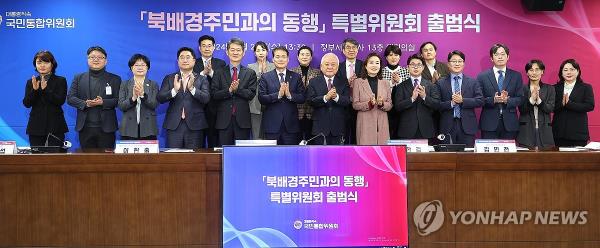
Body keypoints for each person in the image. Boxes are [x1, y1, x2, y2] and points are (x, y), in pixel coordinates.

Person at [67, 46, 121, 149]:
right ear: (87, 60)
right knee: (87, 162)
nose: (96, 59)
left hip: (107, 128)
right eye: (92, 57)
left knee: (106, 162)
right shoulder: (79, 78)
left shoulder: (115, 79)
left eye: (100, 57)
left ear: (106, 61)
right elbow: (70, 98)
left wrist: (103, 102)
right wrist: (85, 103)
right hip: (85, 128)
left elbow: (119, 100)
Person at [157, 47, 210, 149]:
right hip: (174, 126)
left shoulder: (201, 79)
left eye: (188, 57)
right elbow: (160, 98)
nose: (185, 60)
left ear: (194, 61)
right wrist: (174, 90)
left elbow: (206, 98)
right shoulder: (170, 78)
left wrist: (192, 88)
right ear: (178, 61)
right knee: (174, 159)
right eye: (182, 57)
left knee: (195, 160)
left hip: (195, 126)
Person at [211, 38, 257, 146]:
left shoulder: (250, 73)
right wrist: (229, 91)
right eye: (232, 50)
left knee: (242, 153)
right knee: (224, 153)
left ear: (243, 52)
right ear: (227, 52)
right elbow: (214, 94)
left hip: (242, 121)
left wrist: (237, 90)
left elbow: (251, 94)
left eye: (238, 50)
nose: (235, 52)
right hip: (223, 121)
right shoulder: (219, 72)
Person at [258, 46, 305, 145]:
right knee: (271, 157)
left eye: (283, 56)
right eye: (277, 56)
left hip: (291, 126)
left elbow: (302, 97)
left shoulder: (296, 77)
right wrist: (278, 95)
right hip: (271, 126)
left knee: (290, 157)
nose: (280, 59)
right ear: (273, 59)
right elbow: (261, 98)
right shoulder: (265, 77)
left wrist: (289, 95)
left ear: (288, 59)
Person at [437, 50, 483, 147]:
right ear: (448, 64)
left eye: (460, 61)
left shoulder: (473, 82)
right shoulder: (440, 83)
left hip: (467, 126)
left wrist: (463, 100)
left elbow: (480, 101)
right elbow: (436, 104)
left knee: (467, 158)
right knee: (447, 156)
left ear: (464, 64)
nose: (457, 64)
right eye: (454, 61)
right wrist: (452, 103)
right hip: (447, 126)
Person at [22, 50, 68, 146]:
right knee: (37, 160)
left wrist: (45, 89)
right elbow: (26, 103)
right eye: (39, 62)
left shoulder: (60, 80)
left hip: (55, 126)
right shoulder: (31, 82)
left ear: (52, 64)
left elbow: (60, 101)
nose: (42, 65)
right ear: (35, 65)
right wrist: (34, 90)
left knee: (55, 159)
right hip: (35, 127)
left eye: (46, 62)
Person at [477, 43, 523, 139]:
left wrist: (507, 100)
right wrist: (493, 100)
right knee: (489, 154)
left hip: (510, 124)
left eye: (503, 54)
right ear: (491, 58)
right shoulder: (482, 76)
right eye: (497, 54)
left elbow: (520, 99)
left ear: (508, 57)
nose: (500, 57)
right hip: (489, 123)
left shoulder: (516, 76)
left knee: (508, 154)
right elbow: (479, 100)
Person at [394, 54, 440, 143]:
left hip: (426, 129)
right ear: (408, 67)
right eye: (413, 65)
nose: (416, 67)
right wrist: (412, 99)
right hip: (406, 130)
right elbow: (397, 107)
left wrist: (424, 97)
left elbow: (437, 105)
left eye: (419, 65)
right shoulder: (401, 86)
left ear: (423, 67)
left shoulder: (431, 85)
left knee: (426, 157)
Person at [306, 53, 350, 145]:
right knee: (320, 157)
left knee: (338, 157)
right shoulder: (313, 82)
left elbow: (347, 101)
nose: (330, 67)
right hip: (320, 127)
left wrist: (336, 97)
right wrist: (325, 98)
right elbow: (310, 101)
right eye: (327, 64)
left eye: (333, 64)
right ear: (321, 67)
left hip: (338, 127)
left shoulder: (343, 81)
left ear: (337, 67)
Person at [193, 35, 226, 148]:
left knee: (214, 143)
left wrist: (211, 72)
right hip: (197, 108)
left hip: (215, 108)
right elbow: (190, 82)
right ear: (199, 48)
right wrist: (202, 73)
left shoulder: (220, 64)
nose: (207, 48)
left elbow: (222, 84)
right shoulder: (193, 63)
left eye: (209, 46)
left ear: (214, 47)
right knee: (197, 143)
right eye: (204, 46)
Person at [552, 59, 595, 147]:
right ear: (561, 73)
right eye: (565, 70)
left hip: (578, 134)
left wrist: (570, 104)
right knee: (559, 160)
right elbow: (551, 107)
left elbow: (590, 106)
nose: (569, 72)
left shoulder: (586, 87)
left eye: (572, 69)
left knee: (578, 160)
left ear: (578, 71)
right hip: (558, 133)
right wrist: (562, 104)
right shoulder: (555, 88)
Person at [352, 53, 392, 145]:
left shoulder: (385, 83)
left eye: (377, 63)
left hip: (382, 125)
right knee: (365, 154)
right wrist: (369, 104)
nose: (374, 65)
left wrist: (382, 104)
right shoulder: (358, 82)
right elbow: (355, 105)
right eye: (371, 63)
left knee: (382, 155)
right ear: (365, 66)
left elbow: (390, 104)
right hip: (365, 124)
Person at [118, 54, 159, 140]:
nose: (140, 67)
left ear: (147, 68)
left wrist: (143, 95)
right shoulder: (124, 84)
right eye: (136, 65)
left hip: (148, 128)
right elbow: (121, 106)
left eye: (143, 65)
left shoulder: (153, 84)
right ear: (131, 68)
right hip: (128, 128)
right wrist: (133, 98)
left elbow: (154, 104)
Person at [516, 60, 555, 149]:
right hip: (526, 131)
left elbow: (550, 108)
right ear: (527, 72)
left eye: (537, 70)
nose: (534, 72)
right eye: (531, 70)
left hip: (545, 130)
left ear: (542, 72)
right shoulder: (521, 89)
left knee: (545, 160)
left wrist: (539, 101)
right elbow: (522, 109)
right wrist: (531, 100)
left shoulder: (550, 88)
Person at [291, 45, 321, 142]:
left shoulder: (317, 72)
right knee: (295, 141)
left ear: (311, 58)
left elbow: (319, 91)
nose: (304, 57)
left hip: (312, 113)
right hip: (295, 112)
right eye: (302, 54)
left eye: (307, 55)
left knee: (311, 141)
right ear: (298, 57)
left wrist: (310, 86)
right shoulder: (291, 72)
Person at [337, 38, 364, 144]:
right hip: (343, 107)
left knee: (358, 136)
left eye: (354, 47)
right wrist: (347, 83)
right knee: (343, 136)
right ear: (343, 51)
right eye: (348, 47)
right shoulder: (338, 66)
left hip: (360, 106)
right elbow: (334, 85)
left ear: (357, 50)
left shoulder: (364, 66)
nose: (351, 50)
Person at [247, 41, 275, 139]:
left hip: (271, 104)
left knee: (270, 135)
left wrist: (265, 73)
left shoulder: (273, 66)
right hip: (255, 105)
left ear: (267, 52)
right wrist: (259, 73)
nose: (261, 53)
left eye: (263, 50)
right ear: (255, 53)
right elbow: (250, 85)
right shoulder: (250, 67)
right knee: (256, 135)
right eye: (258, 50)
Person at [382, 44, 410, 140]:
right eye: (390, 55)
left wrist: (400, 82)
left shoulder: (406, 71)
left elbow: (409, 90)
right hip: (386, 109)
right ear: (386, 57)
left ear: (400, 57)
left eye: (396, 55)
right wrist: (391, 83)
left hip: (403, 108)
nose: (393, 58)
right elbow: (380, 91)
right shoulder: (381, 72)